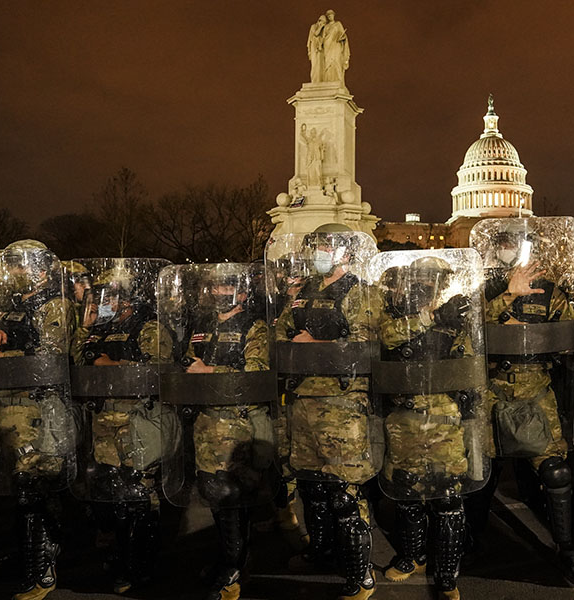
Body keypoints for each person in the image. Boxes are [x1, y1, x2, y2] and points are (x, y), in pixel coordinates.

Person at [466, 219, 574, 585]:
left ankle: (565, 547)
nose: (506, 248)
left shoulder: (551, 293)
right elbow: (469, 331)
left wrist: (532, 334)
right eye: (501, 242)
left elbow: (568, 337)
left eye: (513, 242)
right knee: (481, 472)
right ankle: (471, 540)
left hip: (535, 391)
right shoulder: (483, 287)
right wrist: (508, 297)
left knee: (555, 471)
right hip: (490, 390)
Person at [0, 240, 75, 600]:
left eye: (19, 266)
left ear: (38, 268)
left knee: (34, 489)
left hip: (39, 410)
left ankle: (43, 570)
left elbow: (52, 357)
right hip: (7, 410)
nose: (13, 273)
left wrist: (3, 354)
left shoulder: (56, 304)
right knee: (21, 491)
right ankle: (29, 560)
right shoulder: (10, 308)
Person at [274, 225, 379, 600]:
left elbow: (365, 348)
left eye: (325, 246)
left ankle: (360, 574)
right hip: (303, 401)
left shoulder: (358, 291)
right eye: (315, 246)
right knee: (312, 487)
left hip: (341, 406)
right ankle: (321, 552)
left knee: (344, 494)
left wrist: (314, 344)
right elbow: (281, 335)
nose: (318, 252)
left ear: (346, 253)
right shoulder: (303, 292)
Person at [375, 254, 487, 600]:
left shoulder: (458, 320)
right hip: (405, 421)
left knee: (448, 498)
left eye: (433, 280)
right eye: (420, 280)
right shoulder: (396, 316)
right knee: (408, 495)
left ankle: (448, 574)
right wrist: (432, 315)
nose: (425, 287)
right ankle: (413, 557)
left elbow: (471, 361)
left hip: (444, 422)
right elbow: (388, 337)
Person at [161, 262, 275, 600]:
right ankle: (232, 560)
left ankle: (234, 569)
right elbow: (187, 363)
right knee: (215, 497)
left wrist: (208, 370)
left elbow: (257, 371)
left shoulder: (254, 328)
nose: (219, 293)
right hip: (206, 425)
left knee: (234, 498)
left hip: (238, 426)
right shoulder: (203, 326)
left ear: (241, 292)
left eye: (227, 288)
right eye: (215, 288)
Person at [71, 261, 168, 593]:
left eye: (108, 296)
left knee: (140, 494)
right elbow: (75, 361)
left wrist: (112, 366)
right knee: (112, 496)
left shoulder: (148, 327)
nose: (101, 303)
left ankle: (142, 566)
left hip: (136, 422)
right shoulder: (99, 329)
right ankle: (121, 558)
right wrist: (85, 329)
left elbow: (159, 371)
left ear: (127, 299)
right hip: (104, 424)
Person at [321, 10, 350, 83]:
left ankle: (338, 80)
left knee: (336, 61)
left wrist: (343, 38)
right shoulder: (326, 26)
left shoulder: (338, 24)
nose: (330, 16)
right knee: (327, 63)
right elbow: (323, 37)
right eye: (328, 15)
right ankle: (328, 80)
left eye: (331, 15)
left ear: (334, 15)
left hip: (336, 45)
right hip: (327, 46)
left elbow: (343, 35)